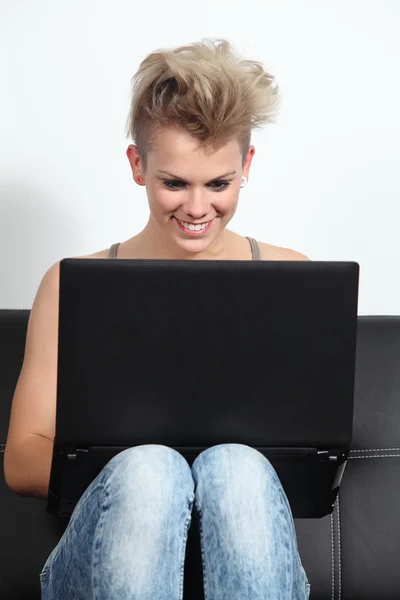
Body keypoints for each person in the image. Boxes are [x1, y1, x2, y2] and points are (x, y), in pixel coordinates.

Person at [4, 38, 310, 599]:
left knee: (236, 468)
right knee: (150, 471)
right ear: (137, 165)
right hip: (108, 555)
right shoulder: (69, 283)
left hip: (249, 545)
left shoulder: (292, 276)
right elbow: (23, 458)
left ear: (246, 166)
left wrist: (213, 467)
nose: (197, 209)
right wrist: (156, 464)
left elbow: (311, 448)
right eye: (175, 183)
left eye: (219, 184)